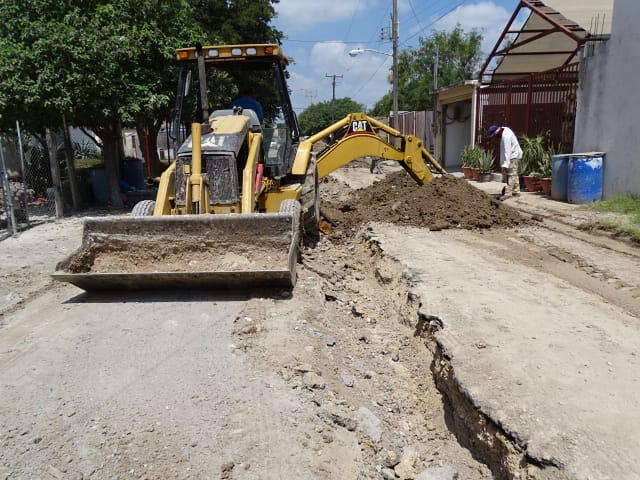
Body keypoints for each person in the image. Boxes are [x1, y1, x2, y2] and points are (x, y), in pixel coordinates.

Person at [489, 124, 522, 196]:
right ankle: (516, 191)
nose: (495, 138)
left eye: (494, 136)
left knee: (511, 175)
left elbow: (507, 152)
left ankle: (508, 193)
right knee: (514, 174)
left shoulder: (506, 136)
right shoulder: (504, 130)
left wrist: (505, 166)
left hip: (513, 156)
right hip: (514, 154)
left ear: (496, 133)